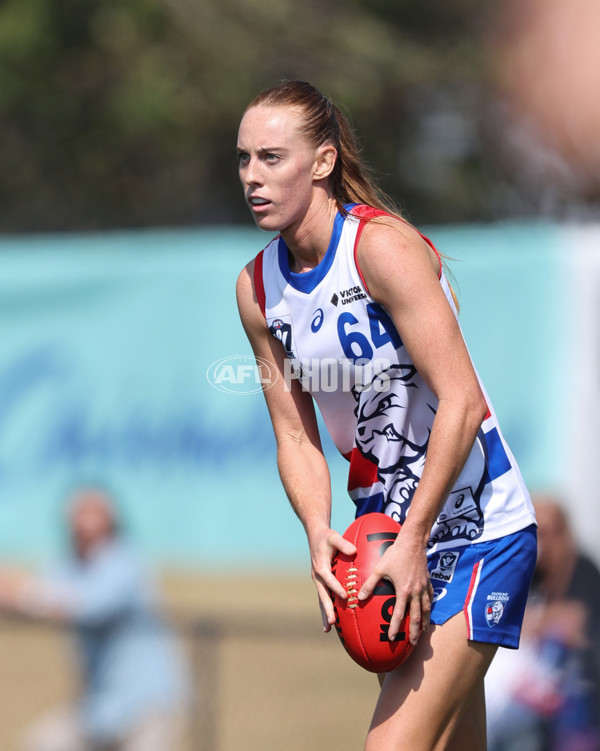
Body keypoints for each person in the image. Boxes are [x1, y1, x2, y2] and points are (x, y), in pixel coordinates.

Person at [235, 79, 538, 751]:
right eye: (244, 158)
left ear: (321, 161)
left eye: (271, 157)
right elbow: (293, 432)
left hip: (479, 526)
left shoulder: (382, 250)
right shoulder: (258, 292)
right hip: (385, 543)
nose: (252, 176)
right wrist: (317, 528)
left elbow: (461, 400)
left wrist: (415, 536)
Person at [0, 486, 189, 751]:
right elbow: (35, 597)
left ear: (111, 524)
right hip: (99, 706)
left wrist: (22, 593)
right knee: (41, 743)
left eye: (93, 518)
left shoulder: (126, 564)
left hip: (147, 706)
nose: (85, 527)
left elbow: (84, 605)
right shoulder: (67, 565)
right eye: (79, 519)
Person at [486, 495, 600, 751]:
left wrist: (533, 622)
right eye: (536, 531)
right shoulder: (532, 575)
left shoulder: (581, 568)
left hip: (579, 697)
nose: (542, 541)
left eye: (549, 532)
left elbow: (575, 622)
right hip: (529, 702)